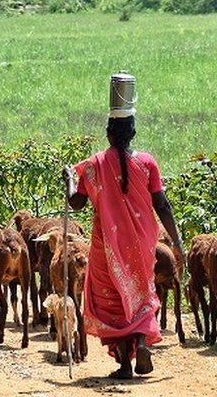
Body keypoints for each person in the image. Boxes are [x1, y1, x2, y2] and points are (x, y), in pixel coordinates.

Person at [65, 115, 184, 379]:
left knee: (110, 298)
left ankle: (125, 364)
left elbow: (77, 204)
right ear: (133, 134)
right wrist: (176, 242)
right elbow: (162, 204)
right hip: (142, 243)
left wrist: (70, 180)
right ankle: (140, 342)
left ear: (108, 134)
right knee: (140, 292)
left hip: (107, 243)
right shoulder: (148, 162)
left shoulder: (94, 164)